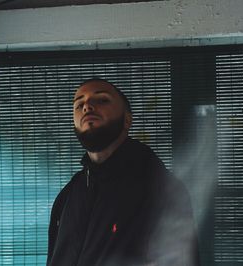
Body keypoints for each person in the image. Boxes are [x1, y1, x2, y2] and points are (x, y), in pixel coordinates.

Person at [47, 78, 200, 266]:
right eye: (79, 104)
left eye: (102, 100)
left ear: (127, 119)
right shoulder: (69, 195)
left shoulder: (159, 188)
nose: (87, 106)